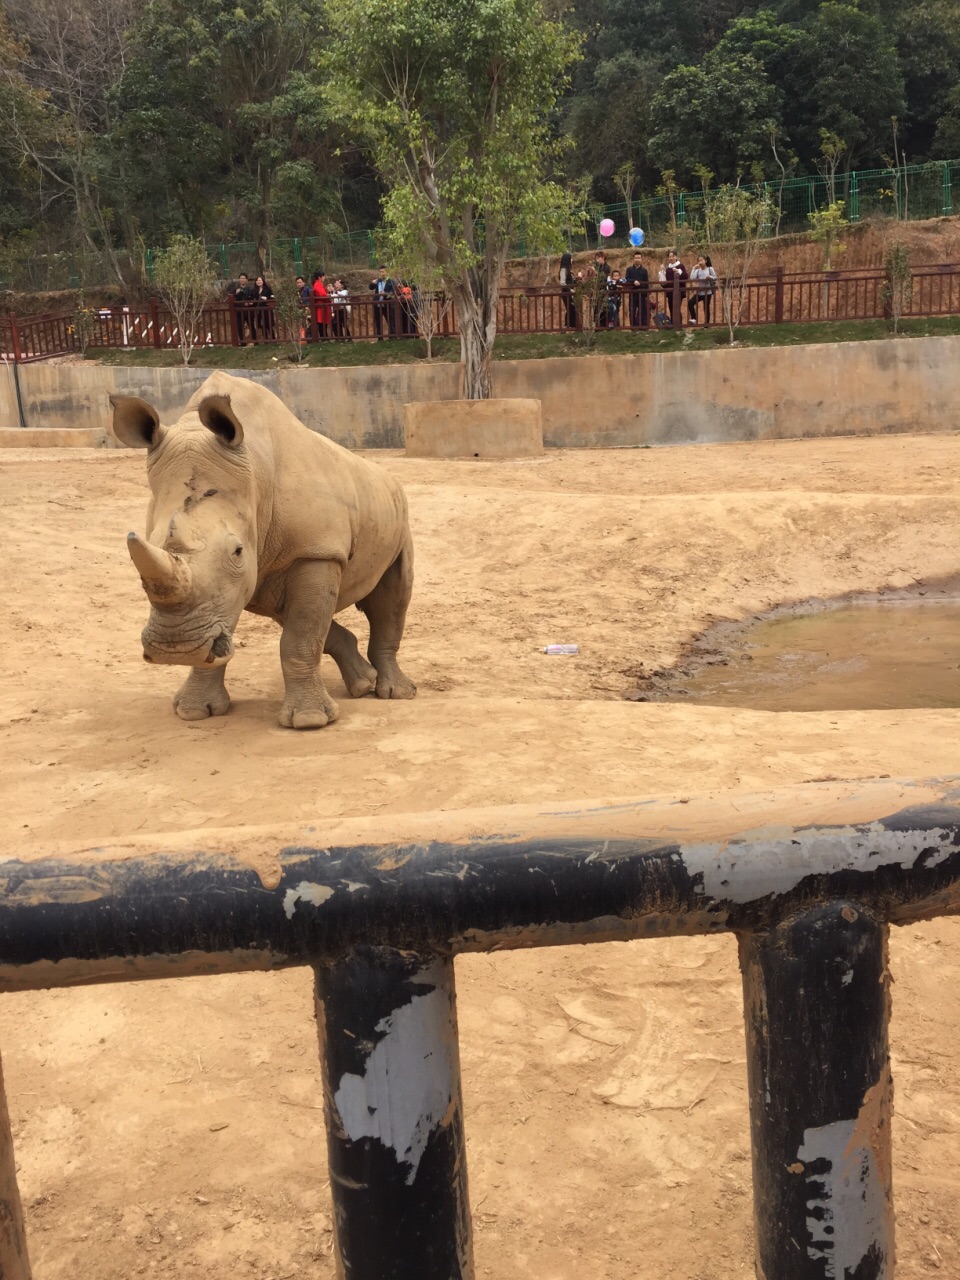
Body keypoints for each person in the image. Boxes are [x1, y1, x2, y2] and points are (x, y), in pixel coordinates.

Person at [688, 254, 718, 326]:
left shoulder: (710, 269)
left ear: (706, 261)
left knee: (706, 308)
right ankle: (694, 318)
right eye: (698, 261)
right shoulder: (698, 271)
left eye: (701, 260)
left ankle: (706, 325)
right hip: (699, 292)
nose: (700, 262)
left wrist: (710, 277)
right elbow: (692, 278)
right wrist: (693, 268)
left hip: (707, 292)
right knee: (690, 303)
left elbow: (715, 278)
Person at [369, 265, 397, 338]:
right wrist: (372, 283)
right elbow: (370, 287)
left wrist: (385, 293)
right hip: (378, 304)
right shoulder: (378, 281)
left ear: (387, 272)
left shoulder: (391, 281)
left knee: (390, 320)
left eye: (383, 272)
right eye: (380, 272)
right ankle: (379, 336)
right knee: (378, 321)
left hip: (387, 304)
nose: (382, 273)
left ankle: (392, 335)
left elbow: (393, 292)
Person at [623, 251, 649, 328]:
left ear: (641, 259)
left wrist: (645, 293)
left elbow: (646, 282)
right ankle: (633, 327)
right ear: (633, 259)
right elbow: (627, 279)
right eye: (636, 258)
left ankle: (643, 326)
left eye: (639, 258)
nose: (637, 259)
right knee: (632, 310)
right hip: (632, 293)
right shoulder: (629, 269)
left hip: (642, 293)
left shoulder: (644, 270)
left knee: (642, 310)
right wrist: (633, 281)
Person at [664, 249, 688, 326]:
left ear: (676, 257)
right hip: (670, 292)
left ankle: (679, 325)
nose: (671, 258)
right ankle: (673, 325)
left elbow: (685, 277)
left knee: (677, 308)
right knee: (671, 308)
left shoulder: (681, 266)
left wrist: (679, 271)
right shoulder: (667, 269)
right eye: (670, 256)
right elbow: (665, 282)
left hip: (679, 292)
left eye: (673, 256)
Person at [232, 272, 256, 343]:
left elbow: (254, 298)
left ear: (246, 280)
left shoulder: (250, 289)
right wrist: (236, 293)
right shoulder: (236, 289)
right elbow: (231, 298)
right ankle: (242, 342)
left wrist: (249, 303)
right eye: (241, 278)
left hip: (248, 311)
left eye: (244, 278)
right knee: (240, 327)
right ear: (239, 280)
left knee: (251, 326)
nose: (242, 280)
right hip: (239, 311)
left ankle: (255, 341)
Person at [253, 275, 274, 342]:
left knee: (268, 324)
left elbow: (272, 297)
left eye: (260, 280)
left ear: (263, 281)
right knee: (262, 325)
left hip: (266, 309)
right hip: (259, 310)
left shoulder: (267, 288)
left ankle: (273, 339)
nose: (259, 282)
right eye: (257, 280)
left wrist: (267, 298)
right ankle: (265, 340)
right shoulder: (254, 290)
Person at [312, 269, 332, 341]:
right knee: (322, 323)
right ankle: (324, 338)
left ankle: (325, 337)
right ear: (320, 277)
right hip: (321, 307)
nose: (324, 278)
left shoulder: (319, 284)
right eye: (323, 276)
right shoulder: (317, 285)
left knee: (323, 323)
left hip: (323, 306)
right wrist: (328, 296)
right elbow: (322, 294)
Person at [559, 251, 577, 329]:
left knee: (572, 308)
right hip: (566, 293)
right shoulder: (563, 270)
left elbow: (572, 281)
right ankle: (569, 325)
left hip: (570, 292)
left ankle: (571, 325)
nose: (571, 260)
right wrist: (570, 290)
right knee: (570, 308)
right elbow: (562, 283)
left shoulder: (569, 270)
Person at [330, 276, 352, 340]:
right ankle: (341, 338)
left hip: (342, 310)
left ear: (341, 286)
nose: (335, 284)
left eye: (337, 283)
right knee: (338, 324)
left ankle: (349, 337)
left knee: (344, 324)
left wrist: (335, 291)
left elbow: (342, 295)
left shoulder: (345, 291)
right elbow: (332, 298)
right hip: (336, 310)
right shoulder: (335, 292)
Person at [296, 275, 313, 341]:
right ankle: (306, 338)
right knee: (304, 324)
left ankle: (310, 339)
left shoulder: (308, 290)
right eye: (297, 283)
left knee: (309, 324)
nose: (299, 284)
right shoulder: (298, 291)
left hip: (308, 309)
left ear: (303, 282)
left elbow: (311, 299)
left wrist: (307, 306)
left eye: (300, 282)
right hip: (302, 310)